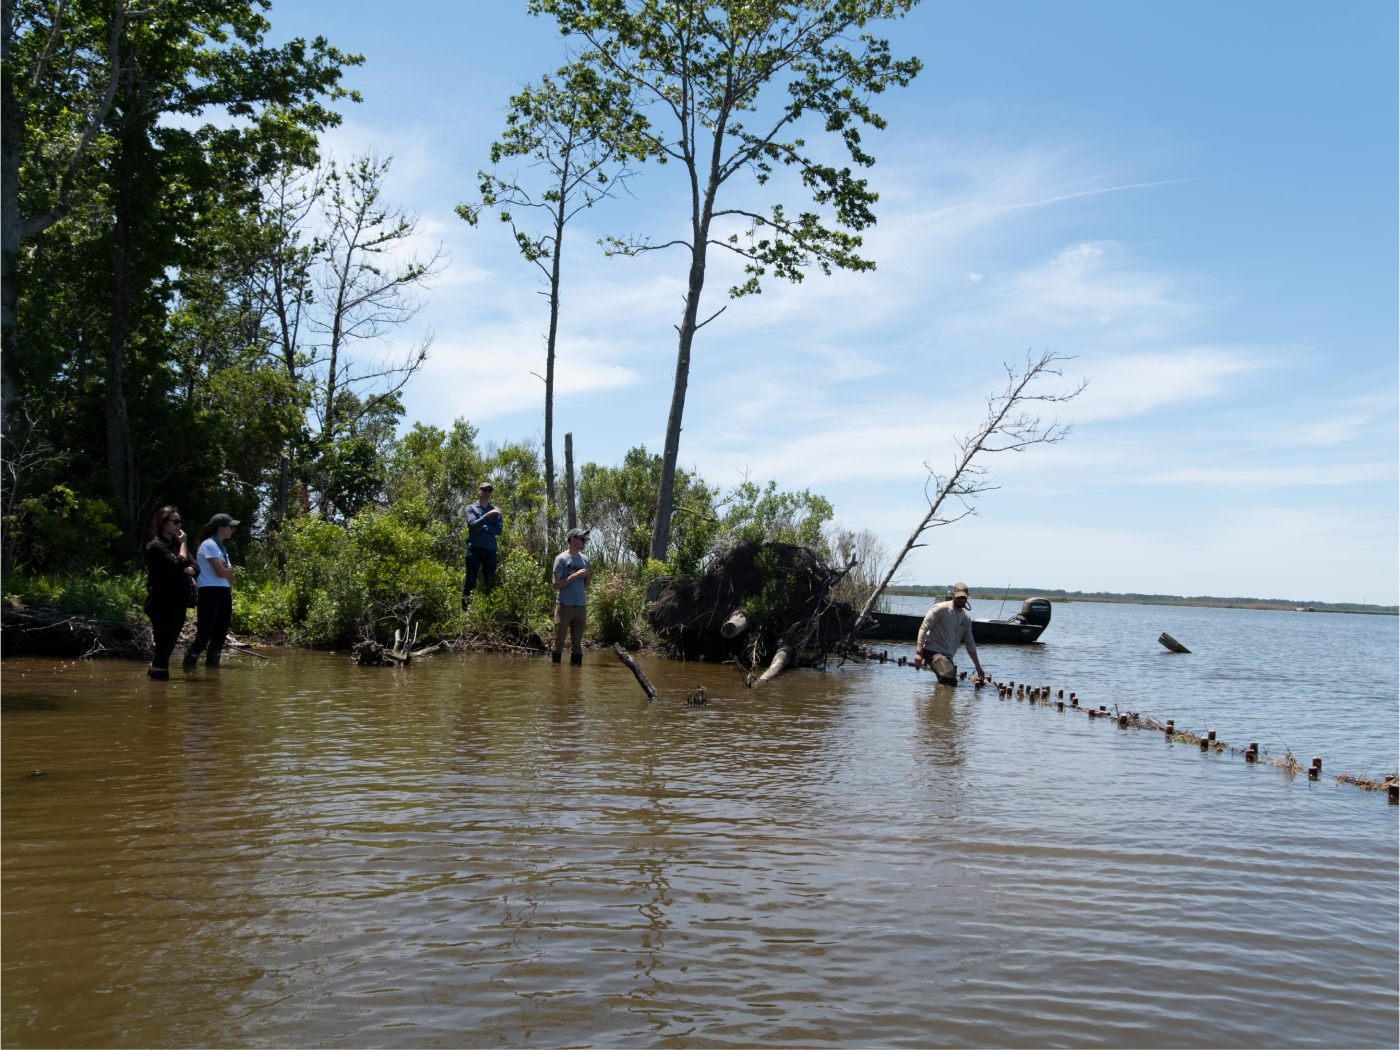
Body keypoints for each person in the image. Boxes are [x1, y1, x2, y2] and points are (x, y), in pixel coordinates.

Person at [144, 506, 197, 680]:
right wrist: (182, 546)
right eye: (174, 522)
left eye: (180, 522)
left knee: (167, 645)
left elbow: (195, 567)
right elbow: (177, 565)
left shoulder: (173, 545)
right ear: (162, 523)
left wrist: (183, 568)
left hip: (178, 601)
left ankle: (155, 676)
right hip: (161, 602)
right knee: (165, 645)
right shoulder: (156, 546)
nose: (179, 525)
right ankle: (159, 689)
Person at [184, 513, 238, 667]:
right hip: (210, 592)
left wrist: (227, 570)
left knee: (219, 636)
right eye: (231, 527)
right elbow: (221, 573)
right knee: (204, 635)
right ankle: (188, 668)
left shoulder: (222, 548)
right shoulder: (209, 545)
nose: (233, 530)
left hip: (224, 592)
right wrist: (227, 570)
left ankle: (212, 674)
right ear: (221, 528)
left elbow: (231, 578)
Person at [914, 582, 987, 685]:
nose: (961, 600)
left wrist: (978, 667)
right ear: (953, 595)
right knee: (949, 677)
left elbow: (970, 643)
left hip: (948, 656)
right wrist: (919, 652)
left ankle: (934, 700)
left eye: (963, 598)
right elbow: (924, 627)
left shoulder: (966, 618)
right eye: (959, 597)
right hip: (932, 651)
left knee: (947, 682)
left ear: (967, 597)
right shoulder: (941, 609)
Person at [551, 527, 591, 665]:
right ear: (572, 540)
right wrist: (575, 575)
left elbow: (585, 586)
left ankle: (575, 678)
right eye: (582, 539)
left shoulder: (585, 560)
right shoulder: (561, 559)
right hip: (564, 606)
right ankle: (555, 674)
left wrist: (587, 576)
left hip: (580, 607)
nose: (584, 542)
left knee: (577, 644)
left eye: (585, 539)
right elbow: (555, 585)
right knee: (559, 642)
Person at [463, 482, 502, 605]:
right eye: (484, 490)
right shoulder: (470, 508)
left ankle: (489, 611)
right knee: (470, 581)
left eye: (489, 491)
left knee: (490, 582)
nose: (487, 493)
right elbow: (473, 526)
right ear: (478, 491)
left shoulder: (497, 510)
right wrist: (487, 516)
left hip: (490, 550)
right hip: (474, 549)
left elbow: (499, 530)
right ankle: (465, 610)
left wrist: (484, 528)